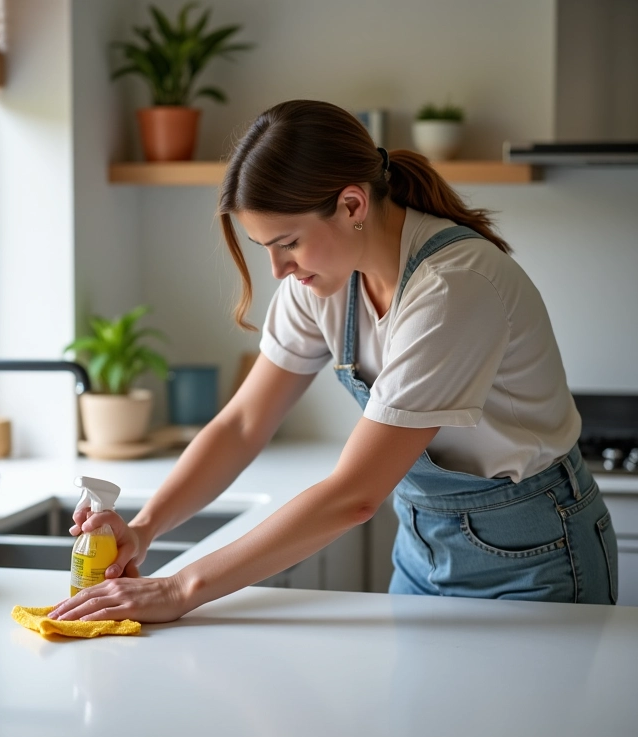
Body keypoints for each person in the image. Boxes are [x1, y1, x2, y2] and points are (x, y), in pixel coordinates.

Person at [49, 99, 618, 623]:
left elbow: (355, 494)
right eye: (266, 248)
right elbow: (243, 425)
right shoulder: (323, 282)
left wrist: (180, 590)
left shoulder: (453, 287)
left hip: (535, 556)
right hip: (422, 549)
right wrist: (145, 529)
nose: (278, 270)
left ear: (352, 204)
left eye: (288, 242)